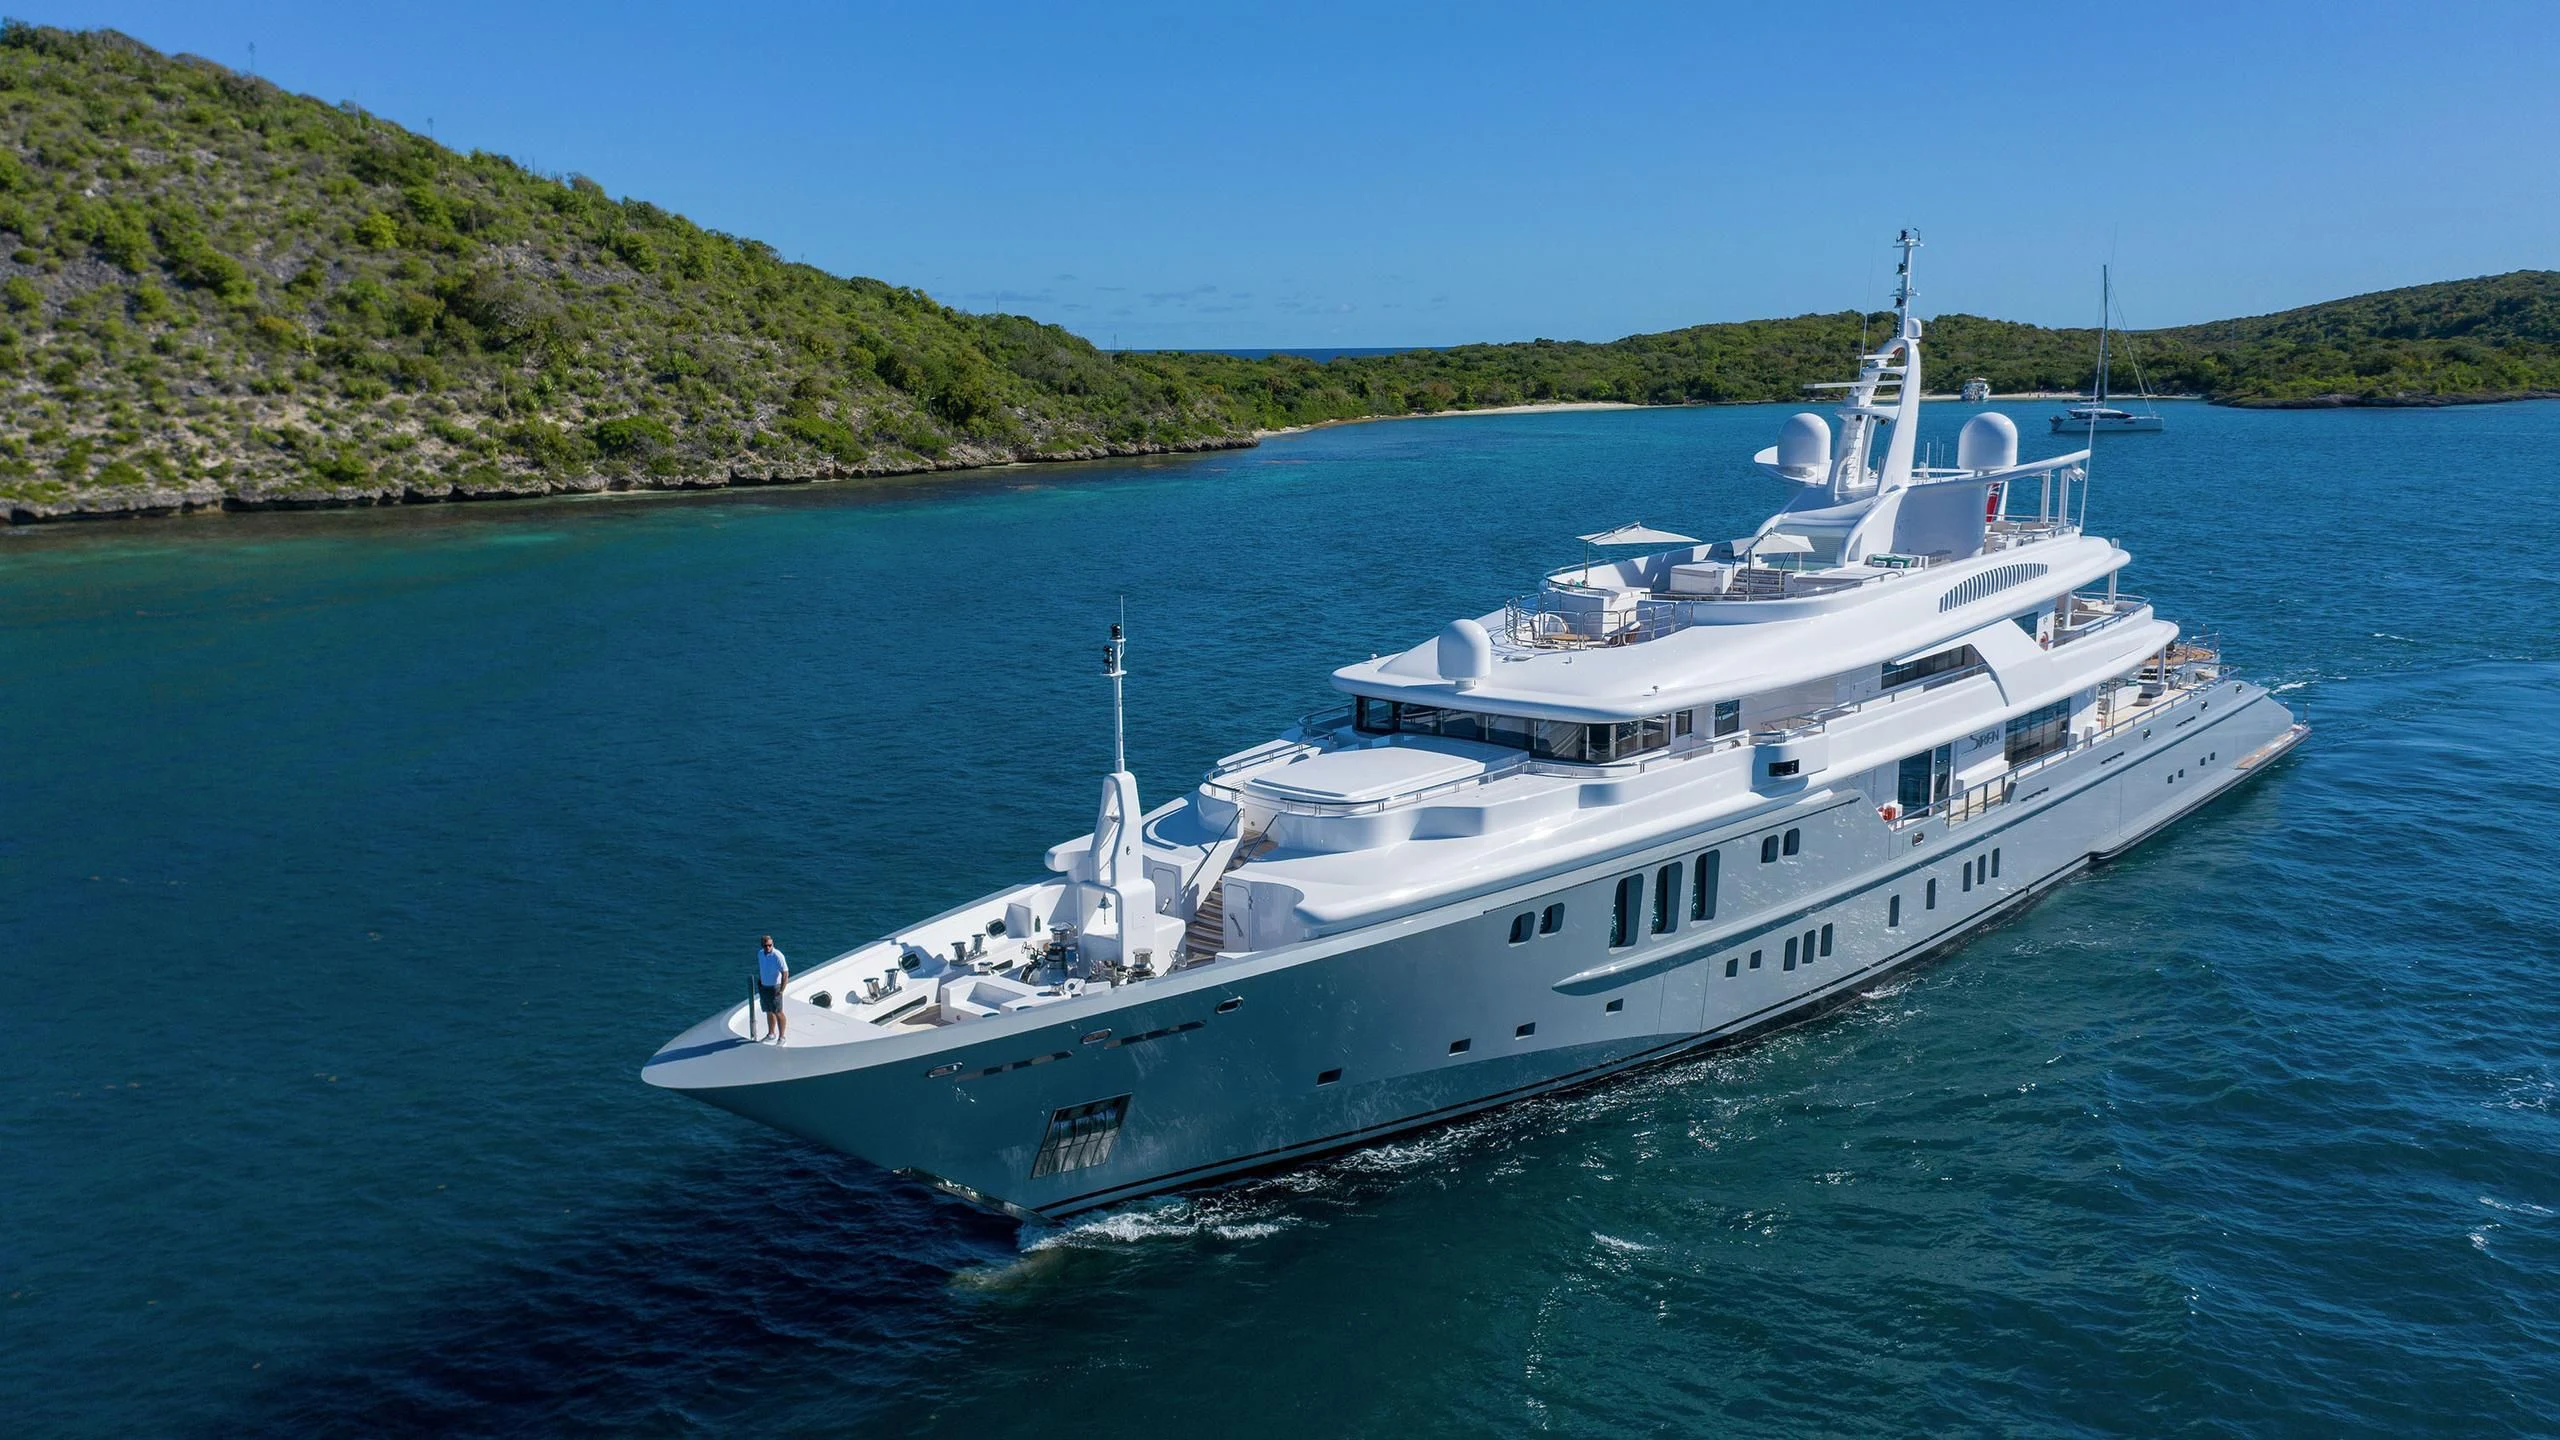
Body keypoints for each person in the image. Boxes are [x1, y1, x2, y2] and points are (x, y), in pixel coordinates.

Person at [755, 935, 789, 1043]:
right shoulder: (760, 954)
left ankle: (782, 1037)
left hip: (775, 988)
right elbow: (763, 968)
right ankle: (771, 1033)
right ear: (762, 945)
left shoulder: (777, 956)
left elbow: (785, 973)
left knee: (778, 1012)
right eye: (766, 946)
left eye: (770, 945)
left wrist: (782, 990)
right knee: (769, 1011)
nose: (768, 947)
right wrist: (761, 981)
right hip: (764, 987)